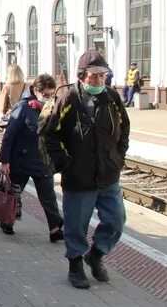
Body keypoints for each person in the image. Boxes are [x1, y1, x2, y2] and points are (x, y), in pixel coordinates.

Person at [43, 50, 130, 289]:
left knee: (116, 220)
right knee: (76, 225)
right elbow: (50, 134)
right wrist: (64, 163)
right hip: (79, 176)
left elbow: (124, 129)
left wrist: (118, 158)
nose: (98, 81)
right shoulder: (69, 98)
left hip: (108, 174)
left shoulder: (112, 97)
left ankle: (97, 254)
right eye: (93, 77)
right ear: (81, 76)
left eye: (102, 76)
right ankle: (75, 266)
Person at [0, 74, 63, 240]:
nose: (48, 98)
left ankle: (55, 229)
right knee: (14, 193)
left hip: (42, 161)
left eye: (51, 95)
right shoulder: (23, 107)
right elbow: (9, 135)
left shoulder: (53, 108)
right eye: (45, 95)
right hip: (21, 160)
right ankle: (7, 222)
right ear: (36, 91)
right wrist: (5, 161)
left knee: (48, 196)